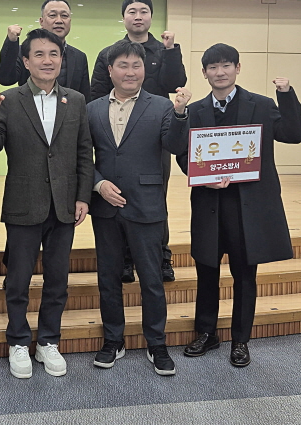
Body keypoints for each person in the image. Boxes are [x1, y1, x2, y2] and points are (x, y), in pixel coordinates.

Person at [175, 43, 301, 368]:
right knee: (206, 272)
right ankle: (207, 333)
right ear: (204, 73)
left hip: (249, 208)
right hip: (209, 204)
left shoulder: (261, 105)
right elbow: (182, 154)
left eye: (226, 66)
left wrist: (286, 95)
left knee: (245, 276)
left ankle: (240, 340)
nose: (220, 72)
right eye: (213, 67)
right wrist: (201, 177)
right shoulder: (195, 111)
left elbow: (293, 134)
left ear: (237, 68)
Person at [0, 28, 94, 379]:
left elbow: (84, 152)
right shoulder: (9, 100)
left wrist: (83, 196)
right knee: (18, 280)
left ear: (62, 60)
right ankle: (17, 341)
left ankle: (48, 341)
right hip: (23, 202)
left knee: (57, 279)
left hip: (64, 204)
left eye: (54, 54)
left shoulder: (76, 100)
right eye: (39, 55)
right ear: (26, 62)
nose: (47, 60)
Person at [87, 41, 191, 375]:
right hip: (105, 207)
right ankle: (113, 341)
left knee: (151, 279)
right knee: (108, 279)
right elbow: (81, 156)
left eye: (136, 65)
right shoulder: (91, 109)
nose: (130, 72)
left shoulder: (162, 106)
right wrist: (98, 184)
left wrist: (180, 114)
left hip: (146, 205)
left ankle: (156, 344)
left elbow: (175, 145)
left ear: (144, 70)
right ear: (110, 70)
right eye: (123, 65)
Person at [90, 0, 187, 284]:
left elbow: (175, 82)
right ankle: (124, 259)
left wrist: (171, 51)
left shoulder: (163, 49)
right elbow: (96, 93)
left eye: (143, 11)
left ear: (151, 17)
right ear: (123, 17)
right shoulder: (110, 53)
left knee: (154, 197)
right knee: (116, 196)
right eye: (132, 11)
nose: (138, 16)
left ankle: (162, 256)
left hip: (155, 133)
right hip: (117, 132)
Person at [0, 0, 90, 101]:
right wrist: (11, 41)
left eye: (64, 16)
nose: (59, 20)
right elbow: (6, 79)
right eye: (52, 15)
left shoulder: (79, 57)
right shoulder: (25, 51)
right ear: (41, 21)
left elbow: (85, 97)